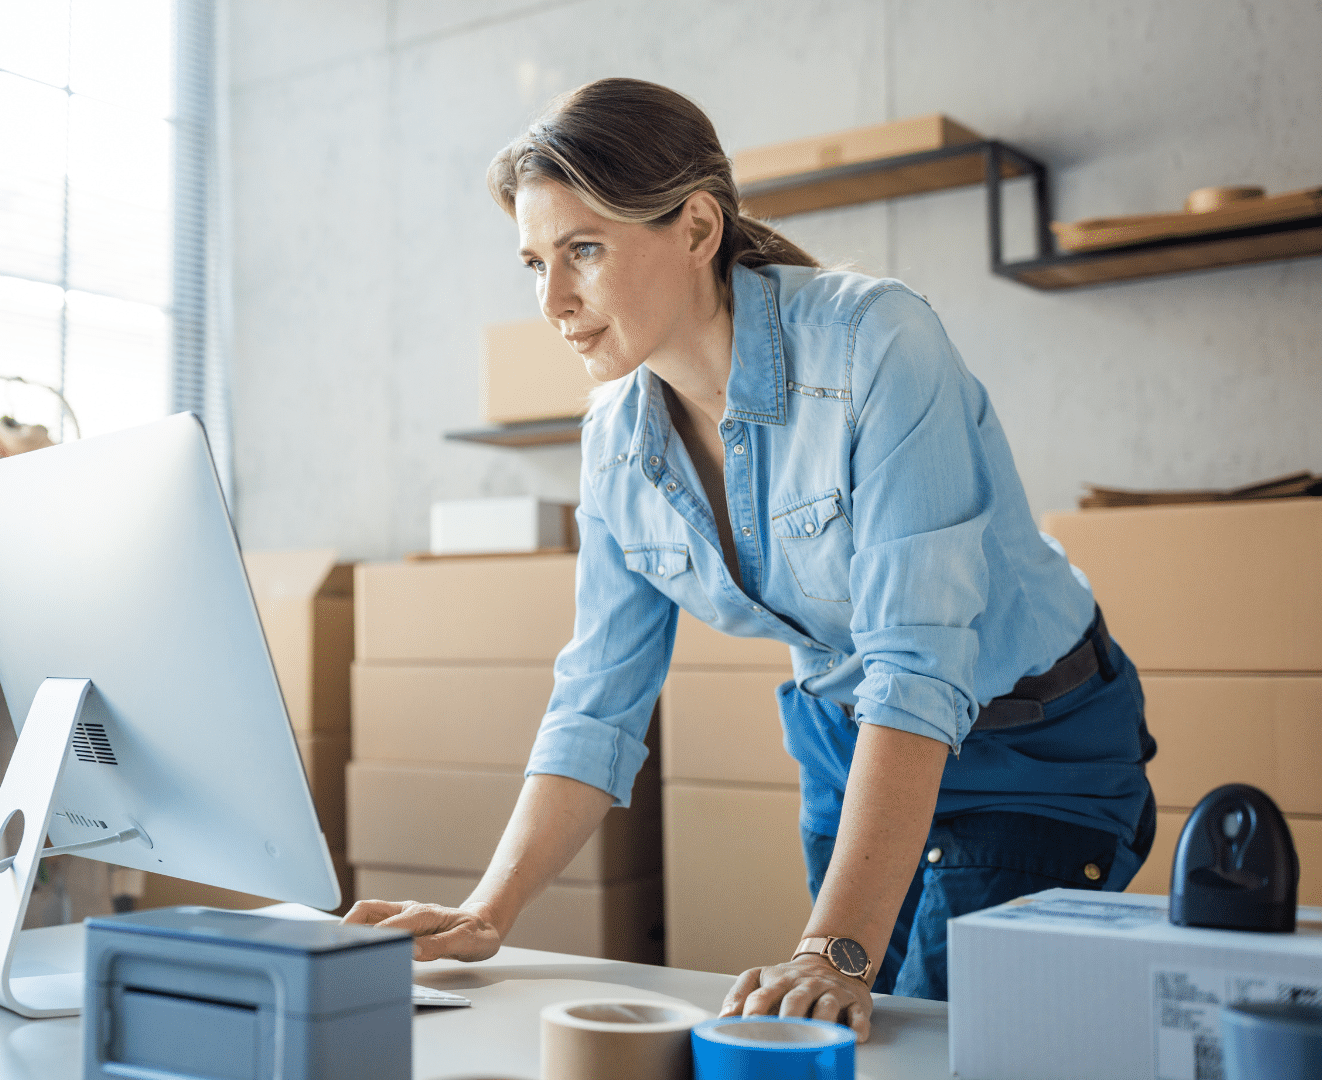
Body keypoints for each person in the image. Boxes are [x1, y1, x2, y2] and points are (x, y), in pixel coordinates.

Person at [342, 78, 1157, 1041]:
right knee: (837, 1032)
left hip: (1027, 740)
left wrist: (832, 945)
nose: (552, 300)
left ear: (695, 229)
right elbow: (597, 700)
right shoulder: (614, 439)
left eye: (583, 250)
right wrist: (488, 910)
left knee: (945, 1034)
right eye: (533, 261)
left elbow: (919, 663)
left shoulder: (878, 344)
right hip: (847, 743)